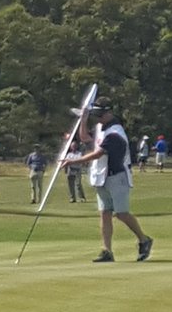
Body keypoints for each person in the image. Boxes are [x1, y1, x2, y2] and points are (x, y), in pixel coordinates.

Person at [62, 97, 153, 263]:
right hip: (101, 176)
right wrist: (83, 120)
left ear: (110, 113)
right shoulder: (100, 128)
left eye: (100, 115)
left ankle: (144, 239)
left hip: (117, 176)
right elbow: (85, 138)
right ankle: (106, 250)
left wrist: (73, 161)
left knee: (121, 213)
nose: (98, 118)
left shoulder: (115, 133)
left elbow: (98, 153)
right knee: (104, 213)